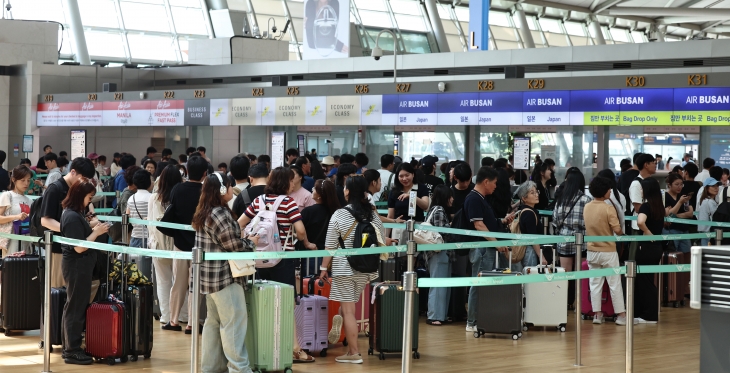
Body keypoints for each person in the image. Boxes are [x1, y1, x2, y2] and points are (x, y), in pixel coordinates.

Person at [238, 167, 316, 363]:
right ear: (284, 183)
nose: (293, 184)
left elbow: (239, 223)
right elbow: (299, 231)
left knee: (259, 301)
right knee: (286, 303)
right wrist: (305, 242)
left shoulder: (258, 201)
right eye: (291, 181)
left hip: (259, 259)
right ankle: (294, 349)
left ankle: (260, 345)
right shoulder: (288, 203)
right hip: (283, 259)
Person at [192, 171, 257, 373]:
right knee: (234, 323)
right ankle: (239, 368)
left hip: (208, 278)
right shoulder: (219, 213)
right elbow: (233, 246)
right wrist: (251, 243)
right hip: (224, 278)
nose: (231, 189)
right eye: (229, 186)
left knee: (213, 323)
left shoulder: (204, 211)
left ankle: (211, 367)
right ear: (221, 190)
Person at [319, 176, 384, 364]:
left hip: (344, 267)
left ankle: (353, 352)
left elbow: (330, 245)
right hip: (366, 268)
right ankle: (340, 317)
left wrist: (324, 267)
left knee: (349, 311)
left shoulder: (340, 214)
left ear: (347, 191)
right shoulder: (372, 213)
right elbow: (381, 237)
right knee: (349, 304)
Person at [59, 178, 110, 365]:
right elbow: (79, 247)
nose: (90, 201)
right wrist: (96, 232)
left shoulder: (73, 213)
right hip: (77, 266)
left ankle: (70, 348)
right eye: (89, 197)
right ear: (80, 195)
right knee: (75, 307)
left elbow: (79, 237)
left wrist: (92, 228)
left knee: (74, 306)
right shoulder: (72, 216)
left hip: (78, 266)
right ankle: (72, 350)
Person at [158, 156, 207, 334]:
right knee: (195, 286)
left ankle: (173, 320)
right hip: (200, 246)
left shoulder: (178, 188)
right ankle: (192, 324)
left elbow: (172, 208)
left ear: (186, 171)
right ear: (204, 173)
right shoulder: (205, 191)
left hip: (179, 244)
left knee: (177, 283)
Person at [465, 167, 516, 333]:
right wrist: (495, 243)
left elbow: (486, 222)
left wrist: (502, 221)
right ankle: (472, 321)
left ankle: (481, 318)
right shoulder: (473, 199)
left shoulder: (482, 199)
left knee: (484, 285)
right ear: (486, 181)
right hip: (482, 249)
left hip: (487, 248)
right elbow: (478, 225)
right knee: (478, 285)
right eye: (494, 183)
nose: (495, 186)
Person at [41, 157, 97, 289]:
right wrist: (70, 230)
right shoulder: (55, 189)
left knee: (71, 293)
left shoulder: (78, 191)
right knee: (58, 291)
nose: (84, 182)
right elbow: (45, 220)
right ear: (73, 172)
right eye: (82, 178)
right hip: (57, 249)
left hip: (75, 251)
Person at [584, 176, 630, 326]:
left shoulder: (587, 206)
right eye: (609, 189)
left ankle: (597, 314)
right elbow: (617, 229)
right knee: (614, 283)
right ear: (604, 191)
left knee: (595, 283)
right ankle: (621, 315)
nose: (611, 191)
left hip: (591, 250)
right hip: (608, 251)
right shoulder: (608, 208)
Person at [148, 165, 186, 327]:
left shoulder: (154, 198)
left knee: (163, 282)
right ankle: (182, 315)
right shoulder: (179, 196)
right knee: (181, 282)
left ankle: (166, 315)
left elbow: (150, 224)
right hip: (177, 245)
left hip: (158, 245)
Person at [552, 169, 591, 309]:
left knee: (565, 275)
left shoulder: (561, 199)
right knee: (580, 274)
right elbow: (589, 222)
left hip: (564, 240)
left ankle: (564, 303)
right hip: (582, 241)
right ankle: (579, 303)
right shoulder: (586, 200)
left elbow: (555, 220)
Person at [635, 177, 665, 324]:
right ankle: (646, 313)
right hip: (657, 247)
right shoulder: (659, 206)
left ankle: (649, 315)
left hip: (646, 247)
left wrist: (646, 231)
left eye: (642, 188)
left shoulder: (646, 206)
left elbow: (640, 221)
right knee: (647, 279)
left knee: (644, 281)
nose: (640, 191)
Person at [424, 184, 453, 326]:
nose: (452, 199)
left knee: (441, 283)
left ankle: (440, 315)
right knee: (439, 284)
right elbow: (443, 231)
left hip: (438, 252)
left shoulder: (432, 209)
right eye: (450, 196)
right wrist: (453, 226)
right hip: (439, 252)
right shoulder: (439, 210)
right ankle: (435, 315)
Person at [300, 179, 340, 275]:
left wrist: (307, 243)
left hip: (311, 255)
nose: (312, 190)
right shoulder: (336, 212)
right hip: (332, 257)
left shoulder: (308, 212)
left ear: (319, 195)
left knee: (311, 285)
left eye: (314, 189)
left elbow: (300, 231)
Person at [386, 163, 429, 240]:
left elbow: (425, 205)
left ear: (413, 174)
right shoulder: (394, 191)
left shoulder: (421, 188)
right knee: (398, 251)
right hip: (399, 228)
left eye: (407, 175)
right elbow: (390, 216)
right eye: (401, 176)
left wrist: (412, 196)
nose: (404, 179)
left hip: (418, 228)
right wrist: (386, 236)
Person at [0, 165, 32, 257]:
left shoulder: (29, 200)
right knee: (11, 267)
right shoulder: (7, 195)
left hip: (27, 240)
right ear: (14, 180)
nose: (26, 183)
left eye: (28, 180)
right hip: (11, 240)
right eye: (23, 180)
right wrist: (16, 217)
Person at [126, 169, 153, 277]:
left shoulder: (131, 199)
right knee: (148, 273)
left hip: (134, 238)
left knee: (134, 274)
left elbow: (127, 216)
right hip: (149, 239)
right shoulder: (151, 198)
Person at [511, 181, 542, 272]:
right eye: (532, 193)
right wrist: (541, 256)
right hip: (531, 251)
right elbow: (532, 238)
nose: (536, 195)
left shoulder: (524, 211)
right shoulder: (529, 213)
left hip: (528, 250)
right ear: (524, 198)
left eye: (536, 192)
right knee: (531, 280)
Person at [597, 169, 627, 255]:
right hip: (618, 238)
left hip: (605, 238)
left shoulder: (603, 198)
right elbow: (622, 217)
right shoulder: (621, 196)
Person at [663, 173, 693, 253]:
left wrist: (675, 215)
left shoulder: (683, 195)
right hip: (671, 230)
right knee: (672, 254)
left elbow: (690, 213)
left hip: (684, 229)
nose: (679, 187)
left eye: (681, 184)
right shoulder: (665, 196)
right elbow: (668, 215)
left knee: (687, 254)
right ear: (669, 185)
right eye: (676, 184)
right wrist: (679, 202)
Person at [629, 154, 657, 236]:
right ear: (646, 165)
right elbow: (638, 208)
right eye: (653, 163)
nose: (655, 165)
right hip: (640, 227)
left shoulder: (651, 182)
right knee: (636, 249)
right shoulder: (636, 184)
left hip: (651, 224)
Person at [698, 177, 721, 246]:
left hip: (705, 233)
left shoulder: (707, 200)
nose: (716, 188)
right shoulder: (709, 202)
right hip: (708, 234)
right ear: (707, 188)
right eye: (713, 186)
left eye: (717, 186)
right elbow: (716, 216)